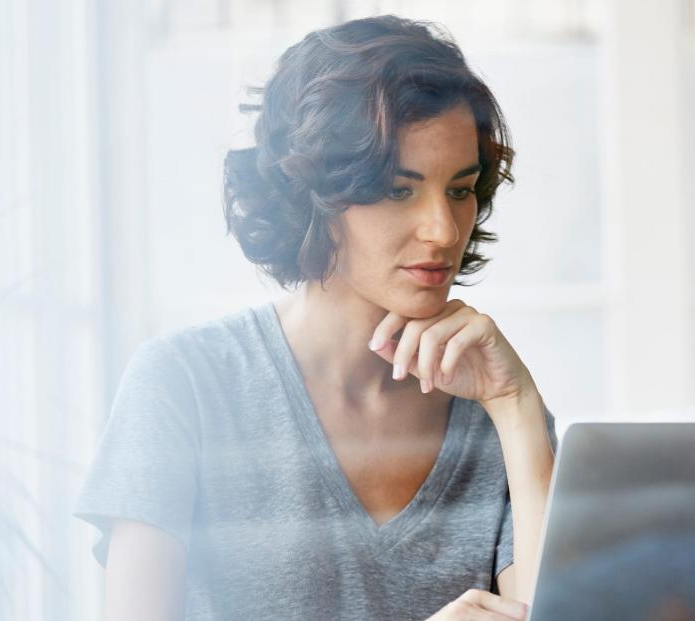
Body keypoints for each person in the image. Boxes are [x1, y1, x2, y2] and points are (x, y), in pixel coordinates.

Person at [74, 15, 556, 621]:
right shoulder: (184, 386)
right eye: (398, 190)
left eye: (460, 190)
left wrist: (516, 406)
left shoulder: (499, 413)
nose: (443, 230)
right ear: (314, 195)